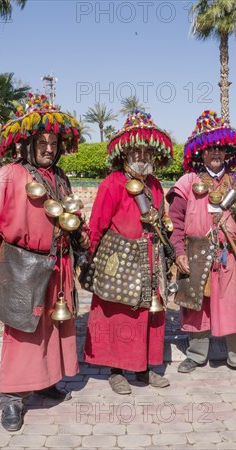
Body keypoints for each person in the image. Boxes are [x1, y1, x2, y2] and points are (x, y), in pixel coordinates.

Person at [0, 94, 88, 431]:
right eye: (42, 142)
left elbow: (72, 214)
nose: (49, 149)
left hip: (58, 267)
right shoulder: (9, 175)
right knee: (23, 331)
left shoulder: (60, 178)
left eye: (54, 143)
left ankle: (46, 381)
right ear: (28, 143)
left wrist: (83, 233)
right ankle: (11, 397)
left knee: (52, 328)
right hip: (21, 266)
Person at [167, 110, 236, 379]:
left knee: (235, 304)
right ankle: (196, 355)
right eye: (209, 148)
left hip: (229, 256)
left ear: (227, 152)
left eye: (220, 149)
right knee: (195, 306)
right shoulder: (187, 183)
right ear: (200, 152)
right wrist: (178, 251)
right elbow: (175, 221)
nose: (215, 153)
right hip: (195, 253)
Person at [83, 111, 174, 395]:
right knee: (117, 314)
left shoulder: (156, 185)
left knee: (150, 313)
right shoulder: (112, 184)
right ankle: (116, 370)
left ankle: (145, 368)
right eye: (137, 150)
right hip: (118, 260)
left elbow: (161, 217)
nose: (143, 156)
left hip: (150, 257)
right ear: (125, 153)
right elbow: (97, 224)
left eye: (148, 151)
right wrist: (89, 256)